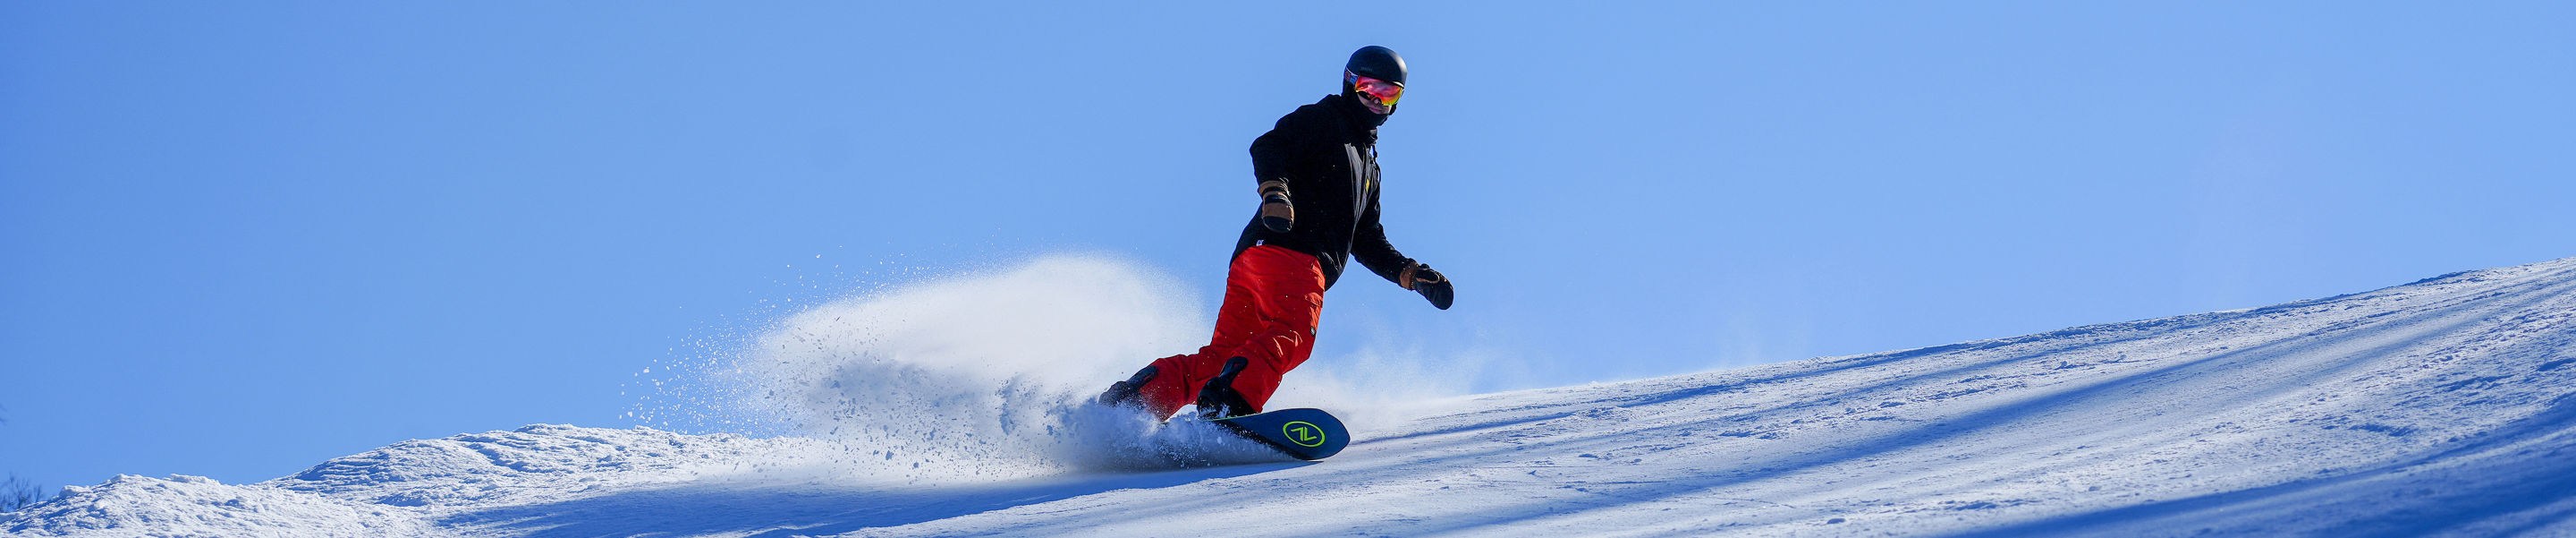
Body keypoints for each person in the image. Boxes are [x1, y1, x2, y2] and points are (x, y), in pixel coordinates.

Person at [1097, 46, 1454, 421]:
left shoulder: (1368, 169)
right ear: (1350, 83)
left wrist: (1411, 274)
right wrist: (1275, 193)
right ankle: (1228, 407)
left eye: (1388, 94)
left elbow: (1366, 239)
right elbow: (1270, 146)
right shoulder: (1325, 119)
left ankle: (1131, 406)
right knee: (1294, 332)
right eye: (1369, 89)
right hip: (1294, 253)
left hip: (1255, 260)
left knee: (1224, 355)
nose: (1376, 101)